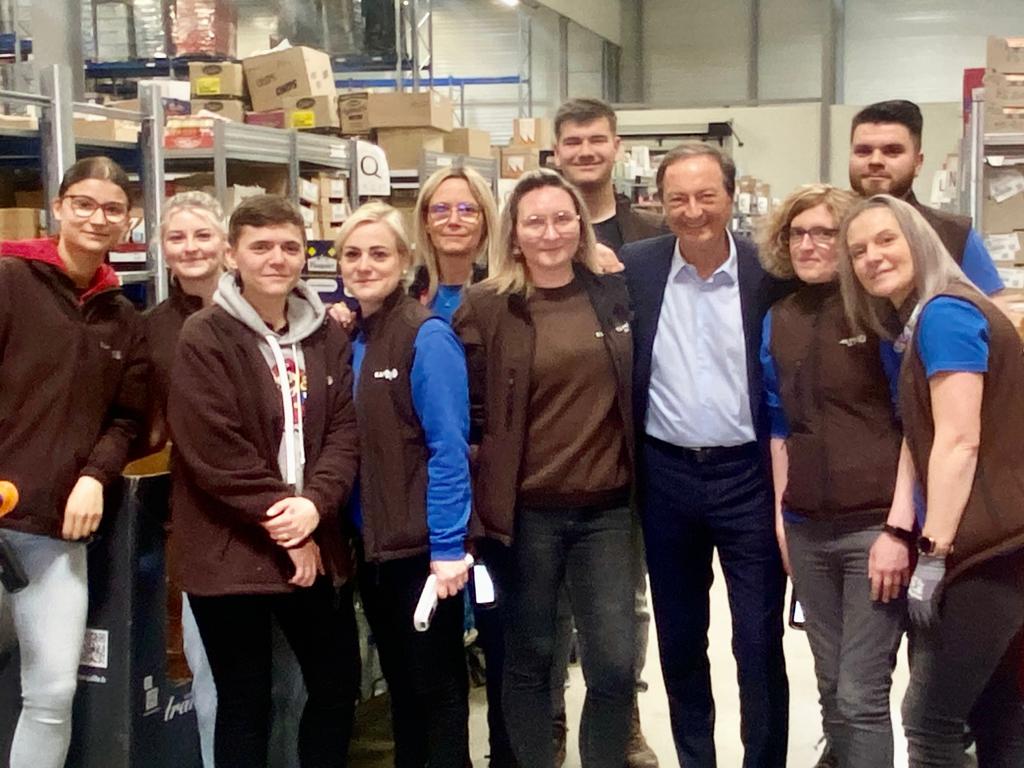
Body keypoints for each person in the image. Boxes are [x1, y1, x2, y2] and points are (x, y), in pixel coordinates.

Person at [167, 195, 361, 768]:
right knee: (246, 697)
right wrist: (289, 523)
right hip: (231, 549)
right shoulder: (206, 336)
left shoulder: (325, 335)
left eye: (289, 247)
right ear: (233, 255)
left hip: (314, 540)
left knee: (335, 684)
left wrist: (315, 508)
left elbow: (344, 433)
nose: (277, 258)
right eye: (261, 247)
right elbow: (213, 449)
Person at [454, 169, 637, 768]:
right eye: (535, 221)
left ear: (581, 226)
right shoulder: (485, 306)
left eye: (563, 218)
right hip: (526, 515)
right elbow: (472, 414)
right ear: (513, 233)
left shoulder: (613, 290)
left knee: (613, 663)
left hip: (606, 510)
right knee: (532, 660)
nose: (551, 232)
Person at [620, 142, 791, 768]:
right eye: (678, 199)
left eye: (706, 196)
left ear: (731, 197)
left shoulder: (767, 272)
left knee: (757, 637)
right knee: (681, 637)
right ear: (659, 203)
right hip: (666, 477)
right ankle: (697, 758)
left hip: (746, 477)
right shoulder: (635, 267)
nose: (693, 211)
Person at [838, 193, 1024, 767]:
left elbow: (957, 440)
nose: (872, 257)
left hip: (983, 553)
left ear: (920, 240)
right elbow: (922, 438)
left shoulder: (946, 314)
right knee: (1002, 714)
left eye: (886, 240)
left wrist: (935, 550)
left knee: (931, 724)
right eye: (859, 250)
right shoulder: (934, 316)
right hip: (1006, 546)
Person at [758, 184, 914, 768]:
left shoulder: (880, 313)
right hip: (806, 526)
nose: (809, 244)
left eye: (825, 233)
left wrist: (900, 529)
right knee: (829, 685)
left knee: (860, 694)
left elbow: (913, 426)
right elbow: (779, 425)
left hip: (874, 527)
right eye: (799, 233)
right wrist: (780, 518)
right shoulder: (779, 318)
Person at [0, 157, 148, 768]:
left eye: (112, 208)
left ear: (128, 222)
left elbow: (127, 419)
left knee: (53, 692)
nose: (97, 217)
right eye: (84, 203)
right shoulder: (10, 280)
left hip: (56, 534)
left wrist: (94, 476)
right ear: (58, 207)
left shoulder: (122, 315)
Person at [336, 201, 472, 768]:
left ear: (406, 260)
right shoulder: (352, 335)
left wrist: (446, 549)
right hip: (373, 546)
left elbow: (448, 448)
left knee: (435, 690)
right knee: (403, 692)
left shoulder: (425, 336)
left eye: (378, 253)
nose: (364, 265)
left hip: (421, 549)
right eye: (352, 253)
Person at [551, 96, 663, 768]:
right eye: (573, 142)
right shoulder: (533, 223)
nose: (585, 151)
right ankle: (557, 722)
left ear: (616, 146)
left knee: (627, 600)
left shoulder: (649, 233)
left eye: (596, 140)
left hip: (633, 445)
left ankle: (624, 720)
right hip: (555, 450)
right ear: (556, 152)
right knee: (554, 603)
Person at [147, 191, 227, 768]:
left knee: (288, 682)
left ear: (225, 243)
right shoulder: (151, 330)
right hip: (197, 523)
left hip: (283, 519)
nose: (191, 247)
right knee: (211, 679)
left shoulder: (277, 308)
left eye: (202, 235)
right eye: (178, 237)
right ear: (162, 249)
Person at [848, 100, 1004, 298]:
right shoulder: (823, 231)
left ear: (918, 163)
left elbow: (994, 311)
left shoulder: (954, 235)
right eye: (863, 151)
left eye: (892, 151)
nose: (875, 161)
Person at [408, 165, 498, 321]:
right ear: (425, 221)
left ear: (485, 221)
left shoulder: (505, 297)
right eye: (440, 209)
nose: (453, 221)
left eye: (467, 210)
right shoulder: (409, 293)